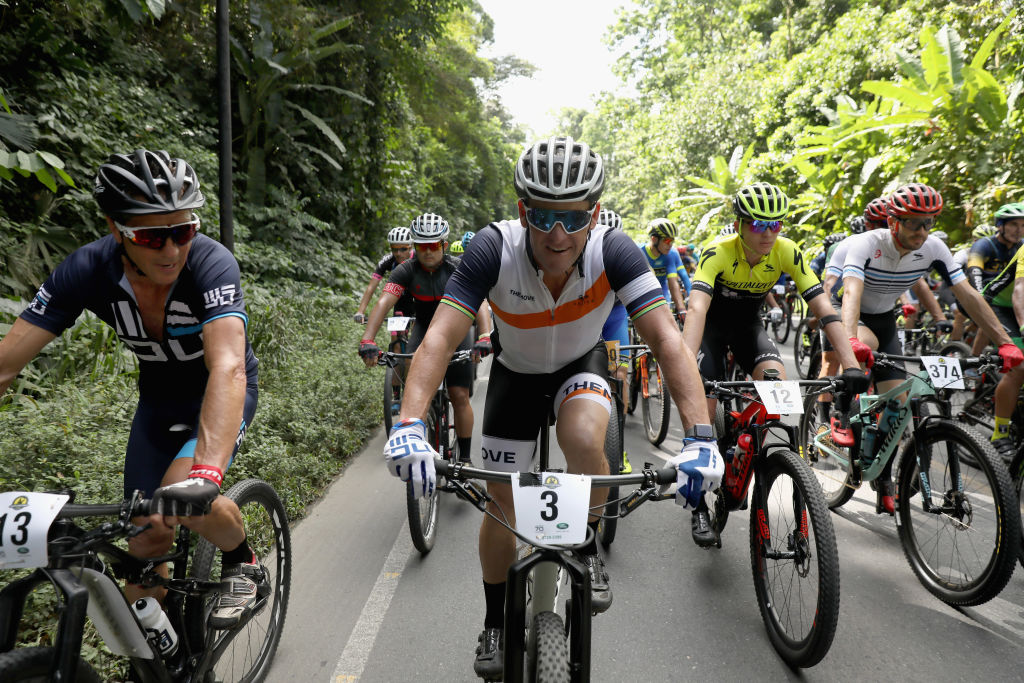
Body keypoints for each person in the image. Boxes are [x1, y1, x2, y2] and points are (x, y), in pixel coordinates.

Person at [381, 137, 719, 679]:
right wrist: (409, 425)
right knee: (501, 503)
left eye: (574, 218)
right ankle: (494, 620)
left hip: (578, 368)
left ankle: (584, 545)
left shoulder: (617, 250)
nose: (559, 235)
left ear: (594, 212)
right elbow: (439, 341)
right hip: (515, 377)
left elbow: (667, 342)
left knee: (585, 439)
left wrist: (701, 435)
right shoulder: (493, 249)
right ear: (522, 211)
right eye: (543, 217)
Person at [0, 149, 266, 628]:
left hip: (219, 391)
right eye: (149, 235)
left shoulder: (211, 262)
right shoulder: (86, 269)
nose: (171, 251)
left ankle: (243, 562)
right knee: (144, 537)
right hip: (158, 402)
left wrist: (205, 475)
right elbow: (5, 366)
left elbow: (227, 366)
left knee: (180, 498)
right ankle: (150, 659)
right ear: (114, 228)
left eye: (183, 231)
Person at [683, 182, 868, 545]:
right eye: (757, 224)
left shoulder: (787, 251)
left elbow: (824, 309)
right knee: (701, 413)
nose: (767, 233)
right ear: (739, 224)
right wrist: (686, 363)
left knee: (777, 393)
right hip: (712, 330)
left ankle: (753, 455)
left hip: (749, 328)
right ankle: (698, 505)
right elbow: (697, 309)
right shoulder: (717, 251)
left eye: (775, 225)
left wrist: (851, 365)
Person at [838, 183, 1023, 512]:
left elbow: (968, 295)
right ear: (893, 221)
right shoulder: (867, 243)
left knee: (898, 403)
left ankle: (882, 477)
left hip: (885, 319)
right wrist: (850, 338)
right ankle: (842, 413)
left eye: (928, 223)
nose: (922, 231)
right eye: (913, 223)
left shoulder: (934, 247)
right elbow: (851, 291)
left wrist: (1006, 343)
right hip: (857, 318)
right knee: (862, 352)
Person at [359, 213, 491, 463]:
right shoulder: (406, 270)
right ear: (415, 247)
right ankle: (417, 434)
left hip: (455, 331)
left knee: (459, 395)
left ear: (443, 244)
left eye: (433, 246)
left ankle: (464, 457)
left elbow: (481, 302)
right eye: (421, 246)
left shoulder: (457, 268)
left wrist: (484, 335)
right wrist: (368, 339)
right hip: (423, 327)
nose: (428, 252)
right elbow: (384, 302)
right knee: (415, 387)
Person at [978, 202, 1024, 459]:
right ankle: (1000, 432)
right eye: (1015, 224)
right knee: (1019, 367)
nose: (1020, 230)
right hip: (1000, 305)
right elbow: (1020, 292)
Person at [965, 211, 1024, 353]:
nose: (1019, 230)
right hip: (989, 294)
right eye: (1013, 224)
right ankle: (974, 361)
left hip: (1012, 298)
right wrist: (980, 297)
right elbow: (974, 271)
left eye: (1023, 226)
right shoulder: (984, 245)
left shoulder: (1020, 245)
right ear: (1000, 226)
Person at [353, 226, 415, 326]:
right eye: (394, 249)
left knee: (418, 333)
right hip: (401, 297)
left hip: (419, 296)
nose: (398, 253)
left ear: (410, 247)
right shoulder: (388, 260)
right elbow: (371, 287)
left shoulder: (418, 258)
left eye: (403, 249)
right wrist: (360, 311)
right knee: (396, 335)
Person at [642, 218, 690, 321]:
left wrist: (681, 309)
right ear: (654, 239)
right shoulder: (639, 252)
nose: (670, 244)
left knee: (666, 317)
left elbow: (673, 283)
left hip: (662, 290)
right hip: (642, 290)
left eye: (672, 240)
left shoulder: (671, 254)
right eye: (667, 240)